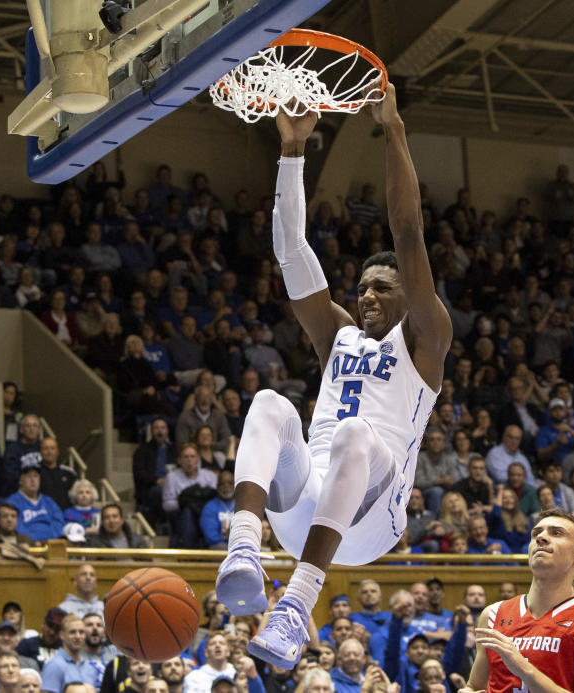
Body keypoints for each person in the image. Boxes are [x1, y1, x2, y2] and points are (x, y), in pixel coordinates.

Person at [216, 87, 452, 669]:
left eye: (381, 286)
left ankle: (296, 607)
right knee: (271, 402)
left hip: (372, 522)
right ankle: (244, 545)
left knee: (354, 434)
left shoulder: (426, 337)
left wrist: (392, 130)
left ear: (408, 297)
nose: (366, 293)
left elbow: (408, 232)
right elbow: (291, 250)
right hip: (305, 511)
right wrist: (293, 151)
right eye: (362, 287)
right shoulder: (337, 337)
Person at [467, 509, 574, 693]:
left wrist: (523, 669)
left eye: (556, 533)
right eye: (536, 533)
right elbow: (473, 687)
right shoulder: (493, 614)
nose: (541, 538)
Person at [7, 465, 65, 542]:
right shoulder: (13, 501)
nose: (32, 479)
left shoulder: (48, 501)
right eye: (29, 476)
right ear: (21, 480)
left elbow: (59, 522)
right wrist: (34, 541)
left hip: (50, 543)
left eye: (36, 476)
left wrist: (48, 540)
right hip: (26, 545)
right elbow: (15, 525)